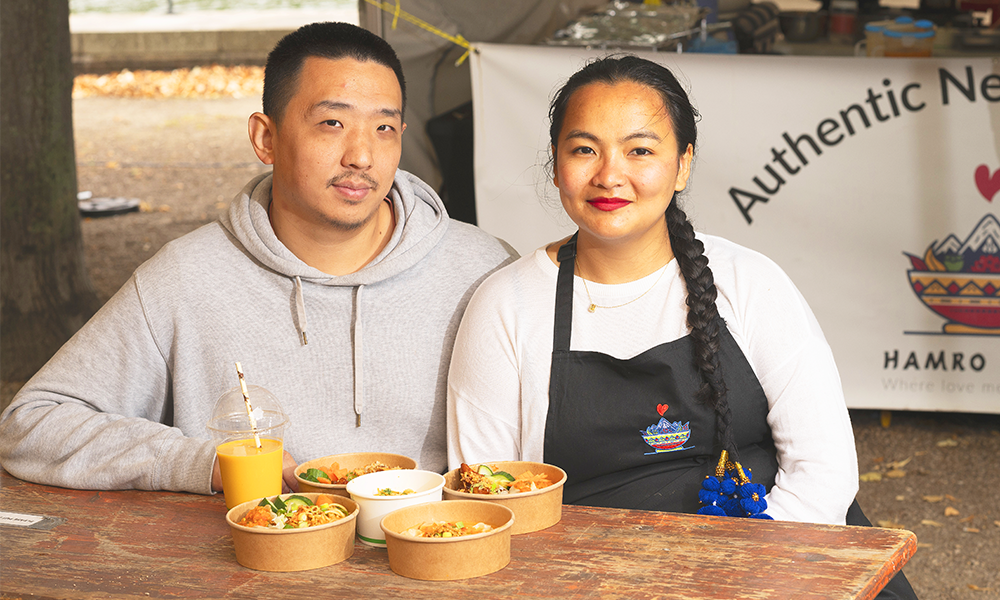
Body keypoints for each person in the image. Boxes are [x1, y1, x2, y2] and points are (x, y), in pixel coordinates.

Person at [448, 54, 917, 598]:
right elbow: (488, 500)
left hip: (785, 558)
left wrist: (745, 578)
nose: (609, 175)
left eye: (640, 150)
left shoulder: (748, 282)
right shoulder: (507, 305)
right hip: (594, 580)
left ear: (684, 163)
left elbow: (824, 469)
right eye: (584, 149)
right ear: (556, 164)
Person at [0, 22, 515, 496]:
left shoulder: (483, 270)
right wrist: (209, 464)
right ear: (265, 138)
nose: (362, 156)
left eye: (384, 128)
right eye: (332, 122)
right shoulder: (187, 277)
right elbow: (33, 423)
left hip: (440, 559)